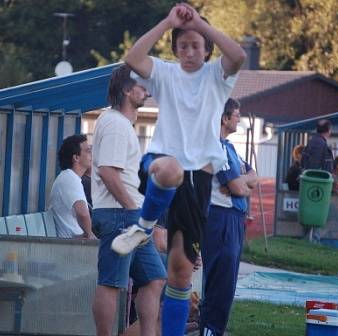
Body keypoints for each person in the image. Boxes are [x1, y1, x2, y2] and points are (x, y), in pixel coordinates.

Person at [117, 3, 246, 335]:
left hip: (198, 181)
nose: (189, 51)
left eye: (196, 45)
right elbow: (133, 58)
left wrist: (201, 24)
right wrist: (167, 22)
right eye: (183, 45)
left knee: (180, 275)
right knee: (172, 169)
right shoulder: (164, 72)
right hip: (160, 165)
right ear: (174, 49)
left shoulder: (217, 78)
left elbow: (238, 56)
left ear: (206, 49)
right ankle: (144, 227)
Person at [91, 65, 166, 336]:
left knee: (155, 279)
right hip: (119, 214)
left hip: (127, 215)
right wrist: (134, 209)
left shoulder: (119, 124)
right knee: (111, 283)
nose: (147, 90)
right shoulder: (114, 124)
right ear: (125, 89)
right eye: (141, 85)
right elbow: (109, 173)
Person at [200, 98, 257, 336]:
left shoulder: (230, 147)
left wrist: (240, 181)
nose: (239, 119)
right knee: (220, 283)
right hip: (221, 219)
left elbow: (254, 176)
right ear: (224, 118)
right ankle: (209, 330)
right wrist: (240, 183)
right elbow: (240, 188)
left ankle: (215, 329)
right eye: (236, 115)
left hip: (234, 219)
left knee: (228, 282)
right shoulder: (214, 146)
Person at [48, 134, 95, 239]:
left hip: (74, 240)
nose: (91, 154)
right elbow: (82, 213)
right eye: (88, 151)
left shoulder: (70, 177)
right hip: (71, 245)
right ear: (76, 158)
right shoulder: (70, 179)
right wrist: (89, 236)